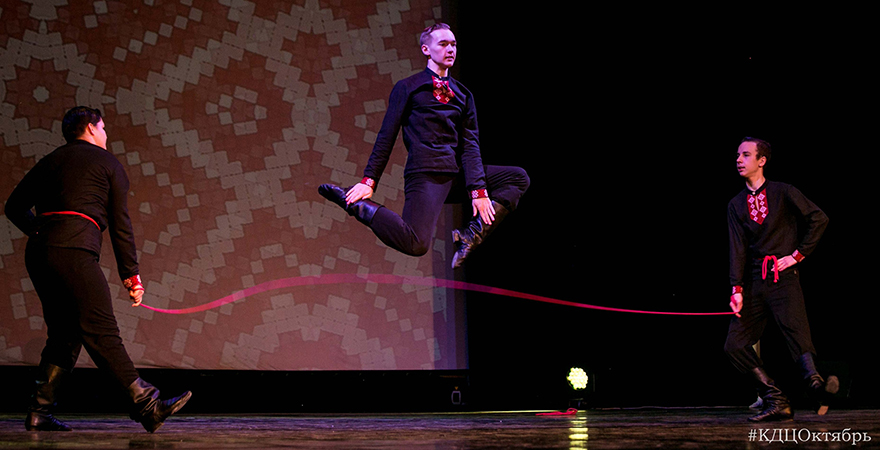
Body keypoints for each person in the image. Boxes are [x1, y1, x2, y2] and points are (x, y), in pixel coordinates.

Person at [5, 107, 191, 432]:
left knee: (65, 334)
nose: (105, 134)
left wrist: (40, 230)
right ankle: (147, 405)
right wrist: (131, 276)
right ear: (91, 128)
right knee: (100, 329)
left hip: (39, 254)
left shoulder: (50, 160)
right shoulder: (108, 164)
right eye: (103, 128)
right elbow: (121, 226)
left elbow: (13, 206)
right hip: (73, 251)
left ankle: (39, 411)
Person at [318, 23, 529, 267]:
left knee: (517, 178)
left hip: (455, 174)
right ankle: (358, 206)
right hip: (426, 175)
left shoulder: (464, 95)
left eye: (454, 44)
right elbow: (386, 136)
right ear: (426, 49)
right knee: (415, 243)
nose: (451, 49)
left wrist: (478, 190)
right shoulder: (409, 87)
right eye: (443, 44)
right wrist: (369, 181)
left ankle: (471, 235)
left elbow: (470, 145)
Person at [724, 136, 837, 422]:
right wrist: (736, 289)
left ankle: (817, 387)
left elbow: (819, 218)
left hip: (783, 278)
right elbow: (737, 249)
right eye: (737, 155)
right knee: (735, 344)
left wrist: (797, 255)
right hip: (754, 282)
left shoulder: (783, 192)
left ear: (761, 161)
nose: (739, 160)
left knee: (797, 335)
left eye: (745, 155)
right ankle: (776, 399)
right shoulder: (736, 204)